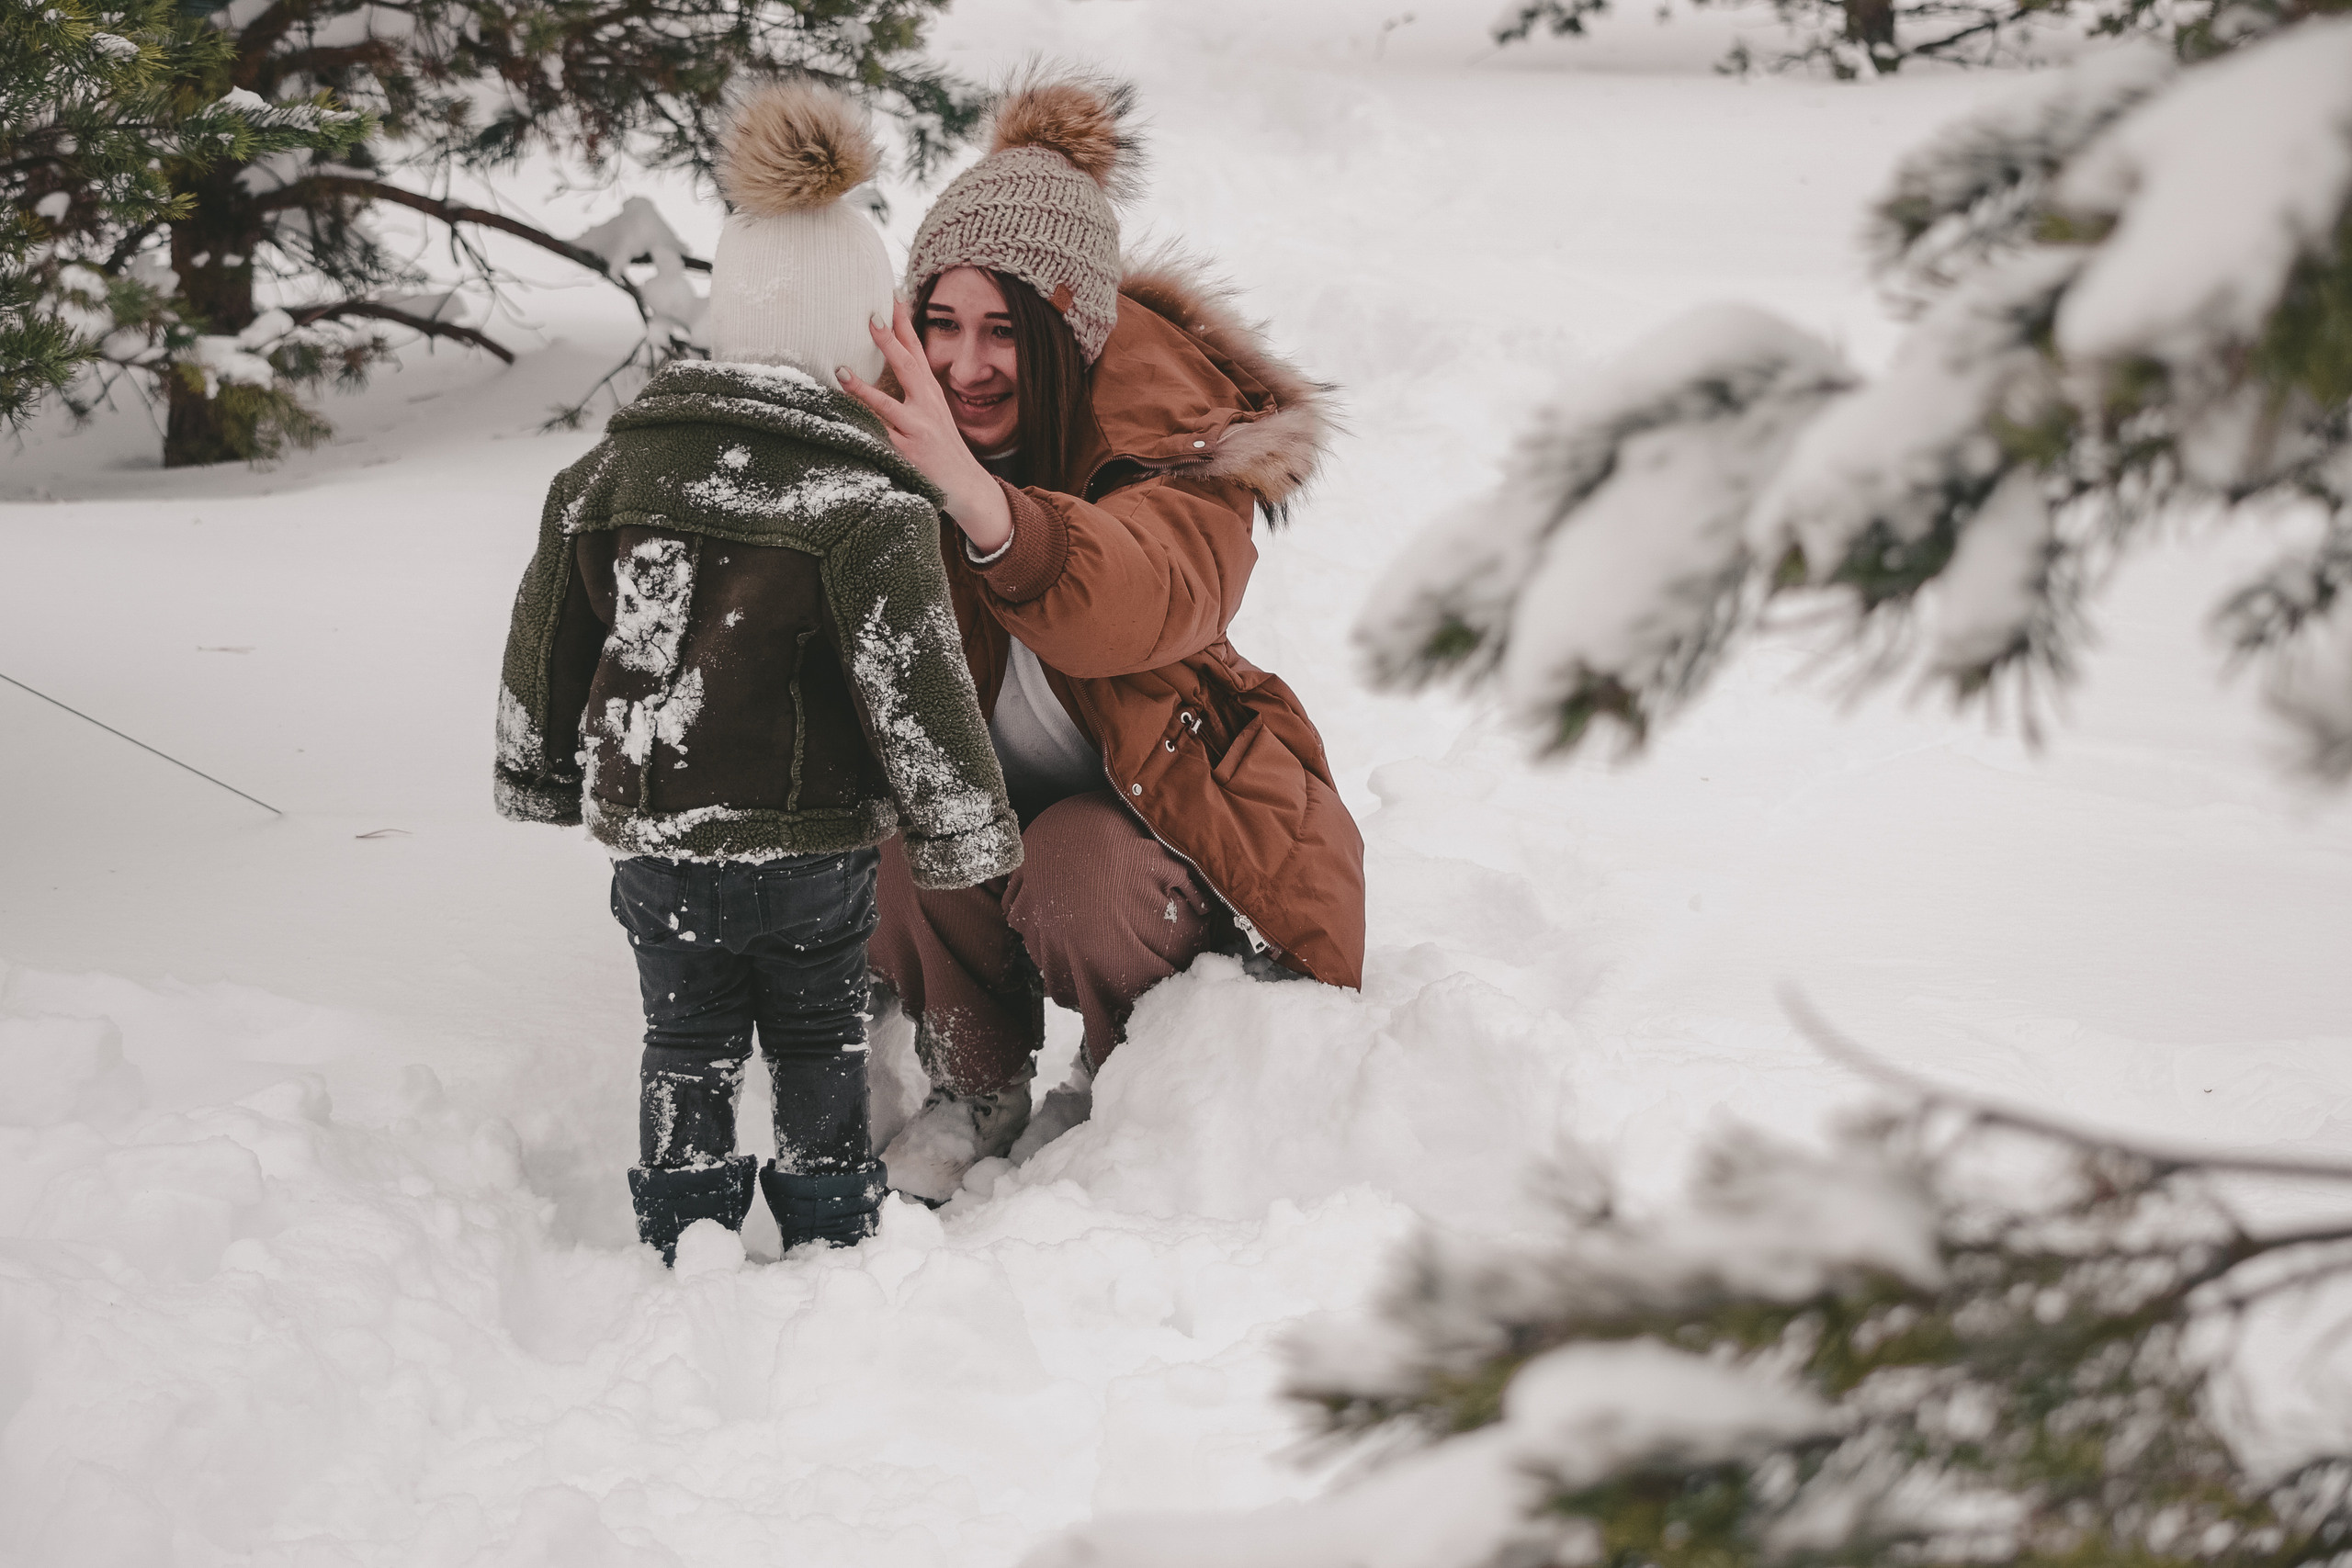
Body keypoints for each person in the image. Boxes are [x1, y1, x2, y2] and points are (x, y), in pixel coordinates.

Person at [492, 83, 1021, 1264]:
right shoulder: (865, 506)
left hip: (658, 843)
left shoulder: (602, 481)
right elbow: (912, 682)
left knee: (683, 1040)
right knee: (815, 1041)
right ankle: (831, 1222)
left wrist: (535, 771)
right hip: (812, 854)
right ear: (859, 337)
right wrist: (961, 832)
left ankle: (685, 1227)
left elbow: (543, 645)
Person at [838, 70, 1366, 1202]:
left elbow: (1136, 595)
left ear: (1069, 337)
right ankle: (971, 1078)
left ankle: (1130, 1077)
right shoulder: (901, 438)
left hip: (1162, 835)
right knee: (904, 828)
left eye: (1002, 333)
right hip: (989, 819)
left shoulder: (1172, 457)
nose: (964, 367)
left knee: (1078, 858)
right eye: (940, 323)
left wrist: (982, 507)